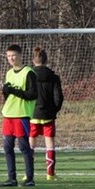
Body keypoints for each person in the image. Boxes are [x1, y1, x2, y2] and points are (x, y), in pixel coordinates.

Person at [0, 44, 38, 187]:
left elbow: (32, 95)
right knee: (7, 147)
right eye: (8, 56)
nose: (11, 58)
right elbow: (8, 95)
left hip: (21, 115)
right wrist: (5, 91)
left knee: (24, 147)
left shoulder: (29, 73)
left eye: (13, 55)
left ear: (20, 55)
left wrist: (14, 91)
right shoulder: (8, 73)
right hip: (8, 115)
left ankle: (30, 179)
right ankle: (12, 179)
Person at [29, 46, 64, 180]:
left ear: (33, 60)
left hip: (32, 114)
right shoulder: (54, 77)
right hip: (48, 115)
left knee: (31, 144)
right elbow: (58, 97)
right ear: (46, 60)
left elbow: (27, 94)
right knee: (50, 143)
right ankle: (50, 174)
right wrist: (54, 110)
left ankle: (29, 173)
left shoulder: (29, 75)